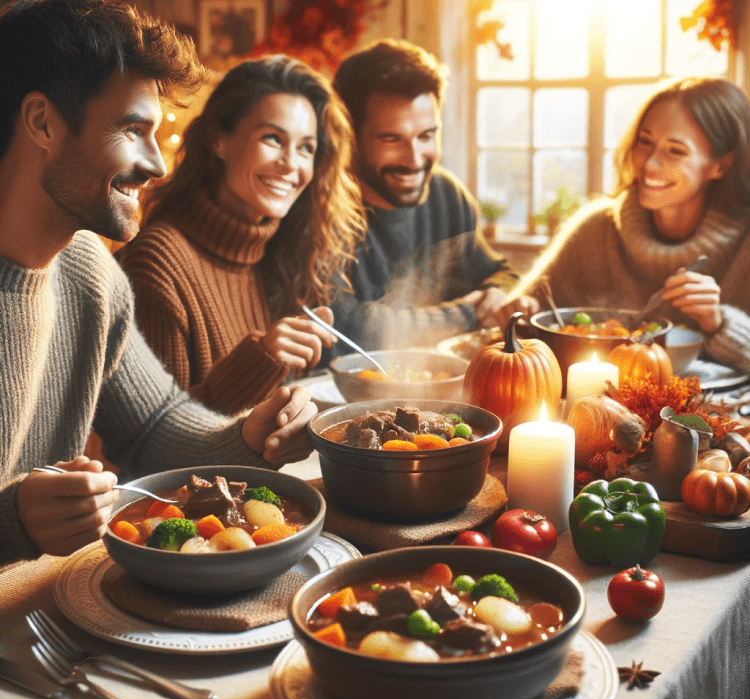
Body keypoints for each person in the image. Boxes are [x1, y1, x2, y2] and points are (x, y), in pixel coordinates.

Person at [0, 0, 317, 565]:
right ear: (42, 122)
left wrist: (248, 435)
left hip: (45, 607)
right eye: (132, 130)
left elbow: (154, 425)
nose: (157, 164)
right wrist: (9, 520)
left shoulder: (90, 272)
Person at [118, 56, 365, 415]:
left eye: (306, 148)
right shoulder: (158, 260)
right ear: (219, 139)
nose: (291, 165)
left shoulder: (284, 249)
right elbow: (150, 435)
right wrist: (259, 360)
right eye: (272, 139)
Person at [327, 39, 539, 356]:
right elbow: (354, 332)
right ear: (350, 137)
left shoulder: (447, 195)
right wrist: (470, 313)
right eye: (391, 139)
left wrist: (499, 293)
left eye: (426, 136)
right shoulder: (322, 213)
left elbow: (500, 271)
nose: (414, 159)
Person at [526, 76, 750, 372]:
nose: (649, 164)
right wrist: (518, 310)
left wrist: (719, 322)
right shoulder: (595, 229)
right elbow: (525, 317)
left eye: (675, 151)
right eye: (645, 142)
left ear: (721, 165)